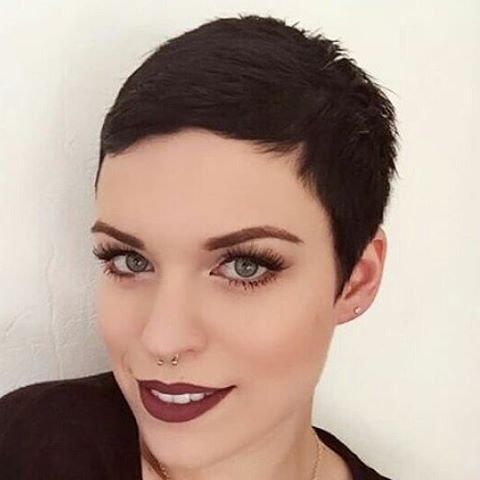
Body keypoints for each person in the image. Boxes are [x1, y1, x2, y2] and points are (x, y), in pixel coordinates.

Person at [0, 14, 398, 480]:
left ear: (356, 280)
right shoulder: (24, 446)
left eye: (245, 267)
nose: (162, 340)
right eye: (130, 261)